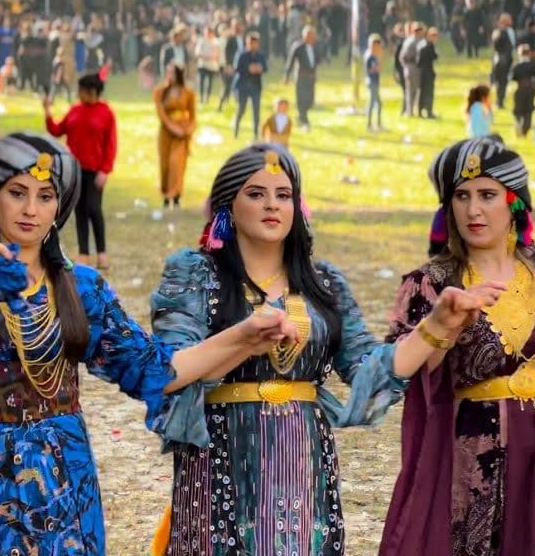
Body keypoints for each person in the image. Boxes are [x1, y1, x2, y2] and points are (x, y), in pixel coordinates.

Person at [0, 132, 259, 555]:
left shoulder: (83, 289)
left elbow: (152, 369)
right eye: (17, 193)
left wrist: (242, 336)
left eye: (45, 197)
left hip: (62, 478)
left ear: (59, 207)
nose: (30, 209)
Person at [149, 143, 489, 556]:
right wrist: (242, 339)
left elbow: (369, 368)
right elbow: (168, 370)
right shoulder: (195, 274)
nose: (272, 204)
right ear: (227, 207)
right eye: (255, 193)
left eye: (283, 194)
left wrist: (435, 326)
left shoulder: (323, 283)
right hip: (220, 454)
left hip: (302, 456)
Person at [379, 136, 535, 556]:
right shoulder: (430, 283)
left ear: (514, 202)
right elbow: (407, 372)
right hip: (471, 453)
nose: (473, 210)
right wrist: (444, 326)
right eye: (461, 196)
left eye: (487, 195)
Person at [45, 73, 116, 269]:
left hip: (95, 170)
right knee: (80, 210)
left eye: (82, 90)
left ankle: (102, 252)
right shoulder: (75, 110)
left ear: (92, 92)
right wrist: (47, 111)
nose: (79, 93)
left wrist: (105, 170)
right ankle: (84, 252)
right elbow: (57, 130)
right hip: (75, 170)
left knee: (94, 208)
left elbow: (111, 144)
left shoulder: (106, 113)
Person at [154, 64, 197, 210]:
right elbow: (161, 114)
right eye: (167, 72)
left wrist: (188, 130)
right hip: (166, 132)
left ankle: (176, 196)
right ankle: (166, 198)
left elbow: (193, 117)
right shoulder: (160, 92)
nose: (169, 74)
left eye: (172, 72)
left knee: (177, 164)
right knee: (165, 165)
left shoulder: (188, 92)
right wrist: (173, 128)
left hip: (181, 134)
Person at [232, 32, 267, 140]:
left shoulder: (260, 55)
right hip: (243, 86)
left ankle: (256, 133)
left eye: (254, 43)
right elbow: (237, 68)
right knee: (242, 108)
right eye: (250, 43)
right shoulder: (242, 54)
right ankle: (236, 129)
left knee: (256, 110)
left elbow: (265, 68)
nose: (252, 45)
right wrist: (249, 69)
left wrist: (260, 68)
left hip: (256, 86)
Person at [283, 26, 318, 129]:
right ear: (304, 36)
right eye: (308, 35)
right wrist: (286, 76)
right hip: (301, 77)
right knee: (301, 99)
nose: (310, 38)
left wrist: (315, 74)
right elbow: (290, 61)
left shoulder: (314, 47)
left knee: (310, 100)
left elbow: (315, 62)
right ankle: (303, 119)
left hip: (311, 77)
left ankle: (301, 117)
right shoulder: (298, 47)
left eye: (312, 35)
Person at [512, 44, 535, 138]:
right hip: (530, 91)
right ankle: (525, 130)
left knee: (518, 110)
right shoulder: (532, 65)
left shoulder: (517, 66)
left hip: (520, 90)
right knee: (528, 111)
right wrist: (534, 87)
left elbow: (512, 78)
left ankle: (519, 126)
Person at [366, 34, 385, 131]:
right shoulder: (371, 57)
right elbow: (375, 69)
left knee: (377, 103)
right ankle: (370, 125)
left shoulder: (372, 56)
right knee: (373, 103)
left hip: (373, 82)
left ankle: (377, 124)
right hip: (372, 82)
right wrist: (380, 59)